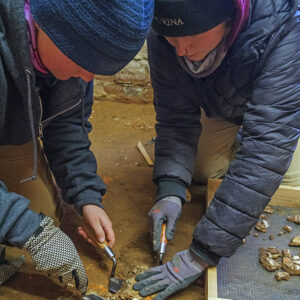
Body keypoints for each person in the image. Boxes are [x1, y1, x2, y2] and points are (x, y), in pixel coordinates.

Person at [133, 0, 300, 299]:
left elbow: (268, 144)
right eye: (173, 39)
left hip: (285, 107)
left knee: (284, 186)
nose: (181, 50)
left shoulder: (287, 29)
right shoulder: (163, 36)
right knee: (202, 171)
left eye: (192, 37)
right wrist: (170, 188)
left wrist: (202, 253)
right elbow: (176, 118)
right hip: (227, 102)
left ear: (229, 17)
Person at [0, 0, 153, 294]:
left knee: (43, 213)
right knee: (26, 228)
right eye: (84, 64)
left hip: (10, 127)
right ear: (50, 26)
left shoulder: (71, 48)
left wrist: (87, 196)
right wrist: (30, 232)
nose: (87, 78)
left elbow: (67, 123)